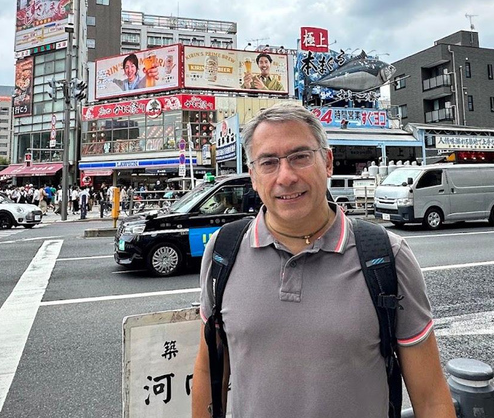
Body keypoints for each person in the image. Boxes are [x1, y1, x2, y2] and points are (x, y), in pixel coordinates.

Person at [192, 103, 454, 418]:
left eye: (300, 157)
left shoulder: (387, 257)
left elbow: (430, 398)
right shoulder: (224, 252)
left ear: (327, 162)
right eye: (269, 162)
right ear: (253, 175)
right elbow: (210, 372)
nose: (285, 176)